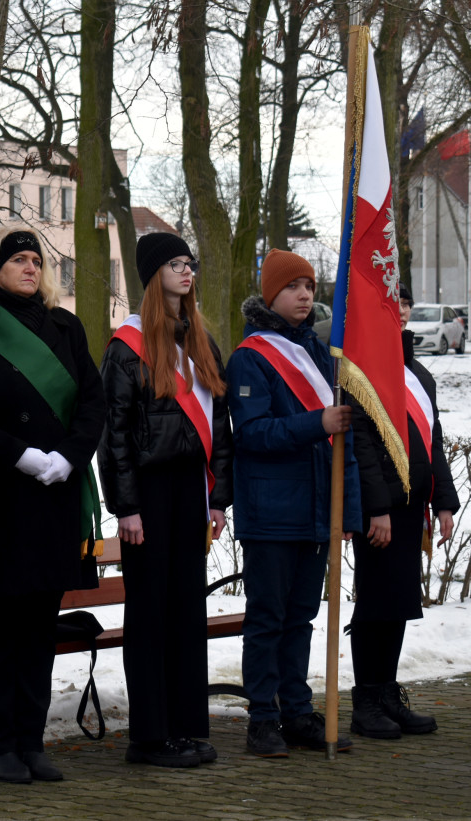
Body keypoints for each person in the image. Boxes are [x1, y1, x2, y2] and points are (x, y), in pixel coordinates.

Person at [0, 224, 105, 784]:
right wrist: (21, 456)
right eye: (18, 260)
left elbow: (92, 399)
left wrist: (69, 456)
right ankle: (1, 745)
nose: (31, 267)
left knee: (39, 627)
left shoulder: (64, 326)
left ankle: (32, 742)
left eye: (36, 260)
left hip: (54, 496)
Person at [97, 232, 233, 768]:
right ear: (154, 274)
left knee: (186, 612)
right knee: (150, 614)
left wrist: (219, 496)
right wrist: (125, 507)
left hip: (189, 492)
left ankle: (187, 726)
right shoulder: (126, 347)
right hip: (148, 496)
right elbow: (116, 434)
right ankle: (150, 738)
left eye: (190, 263)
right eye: (175, 264)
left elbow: (219, 427)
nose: (187, 272)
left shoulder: (201, 341)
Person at [226, 248, 361, 757]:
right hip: (271, 513)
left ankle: (297, 711)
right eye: (292, 287)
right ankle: (263, 719)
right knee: (268, 619)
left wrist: (345, 513)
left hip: (314, 514)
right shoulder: (251, 357)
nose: (305, 295)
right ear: (269, 295)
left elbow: (340, 445)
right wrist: (315, 423)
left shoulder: (325, 357)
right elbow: (254, 434)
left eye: (309, 286)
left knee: (301, 617)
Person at [348, 282, 459, 738]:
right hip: (382, 511)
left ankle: (388, 692)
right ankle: (366, 699)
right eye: (392, 304)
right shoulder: (362, 374)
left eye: (405, 304)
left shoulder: (419, 375)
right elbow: (362, 446)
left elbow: (431, 444)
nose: (402, 311)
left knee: (398, 604)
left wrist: (445, 501)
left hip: (413, 506)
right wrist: (376, 507)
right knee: (376, 603)